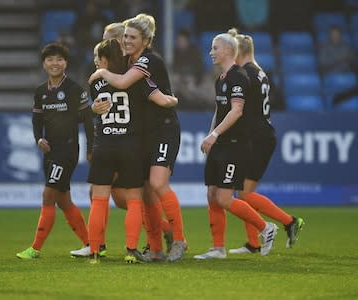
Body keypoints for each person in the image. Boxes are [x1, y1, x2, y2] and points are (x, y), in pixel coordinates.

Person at [89, 13, 187, 262]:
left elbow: (125, 84)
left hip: (164, 129)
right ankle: (155, 247)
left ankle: (179, 239)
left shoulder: (147, 61)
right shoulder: (130, 64)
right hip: (141, 135)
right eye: (125, 37)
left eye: (132, 37)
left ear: (145, 40)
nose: (126, 41)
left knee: (156, 184)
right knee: (142, 194)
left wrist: (100, 73)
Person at [193, 29, 278, 260]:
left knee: (224, 198)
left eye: (215, 48)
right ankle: (218, 248)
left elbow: (237, 111)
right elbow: (219, 111)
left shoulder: (239, 76)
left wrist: (215, 135)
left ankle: (266, 228)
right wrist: (212, 134)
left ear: (228, 50)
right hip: (220, 143)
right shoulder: (220, 78)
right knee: (212, 195)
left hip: (235, 145)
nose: (211, 52)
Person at [222, 30, 305, 256]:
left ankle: (289, 221)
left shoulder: (246, 74)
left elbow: (239, 108)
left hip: (256, 138)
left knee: (244, 195)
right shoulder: (259, 73)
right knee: (242, 192)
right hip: (261, 136)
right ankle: (253, 243)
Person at [15, 43, 93, 260]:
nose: (54, 63)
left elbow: (88, 121)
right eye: (50, 60)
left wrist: (90, 149)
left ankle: (35, 248)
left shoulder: (75, 89)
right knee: (63, 200)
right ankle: (92, 244)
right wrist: (38, 138)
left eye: (59, 59)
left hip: (67, 150)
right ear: (44, 64)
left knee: (48, 196)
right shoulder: (40, 91)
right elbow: (36, 121)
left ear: (65, 63)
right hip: (50, 151)